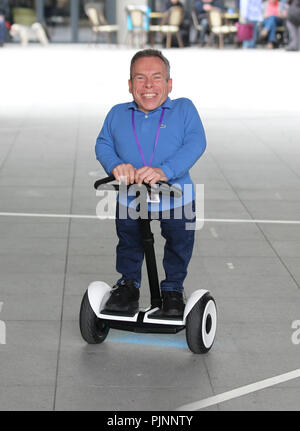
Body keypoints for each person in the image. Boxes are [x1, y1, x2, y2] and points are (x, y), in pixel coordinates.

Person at [95, 49, 206, 317]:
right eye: (140, 78)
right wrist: (115, 165)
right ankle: (128, 286)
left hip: (176, 194)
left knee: (179, 242)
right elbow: (103, 144)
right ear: (130, 85)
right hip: (130, 196)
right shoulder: (117, 113)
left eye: (157, 78)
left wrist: (165, 170)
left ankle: (173, 290)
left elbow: (196, 143)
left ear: (169, 83)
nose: (148, 86)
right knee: (129, 243)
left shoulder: (184, 109)